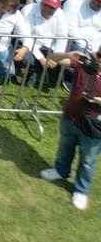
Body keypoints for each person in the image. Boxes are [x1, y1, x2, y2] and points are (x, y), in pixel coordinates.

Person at [42, 47, 101, 210]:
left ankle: (81, 190)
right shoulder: (82, 63)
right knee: (64, 148)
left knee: (88, 161)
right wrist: (67, 55)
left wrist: (97, 101)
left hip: (94, 127)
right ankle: (61, 171)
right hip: (71, 118)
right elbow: (52, 58)